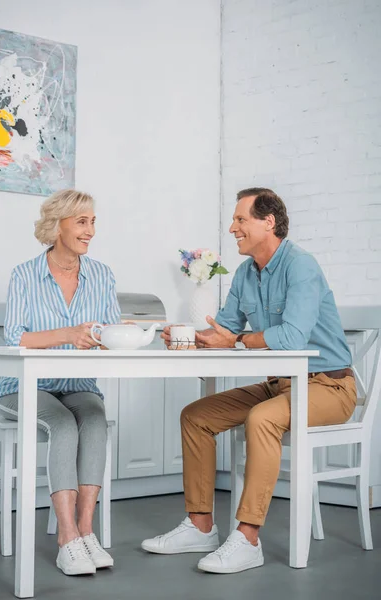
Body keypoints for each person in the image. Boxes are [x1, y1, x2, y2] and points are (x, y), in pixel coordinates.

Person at [141, 187, 356, 574]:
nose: (232, 227)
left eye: (240, 219)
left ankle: (247, 539)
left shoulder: (300, 266)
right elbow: (224, 329)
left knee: (262, 419)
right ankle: (200, 526)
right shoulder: (244, 273)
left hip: (329, 387)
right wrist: (189, 337)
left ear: (267, 222)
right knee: (196, 415)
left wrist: (237, 340)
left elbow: (291, 338)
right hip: (282, 384)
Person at [0, 189, 121, 576]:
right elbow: (15, 336)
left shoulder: (102, 275)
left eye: (93, 221)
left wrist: (119, 333)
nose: (90, 231)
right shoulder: (25, 275)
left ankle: (85, 531)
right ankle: (66, 536)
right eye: (82, 221)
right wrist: (69, 332)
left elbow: (108, 331)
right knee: (63, 424)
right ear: (57, 225)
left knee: (94, 418)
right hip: (24, 387)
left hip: (77, 383)